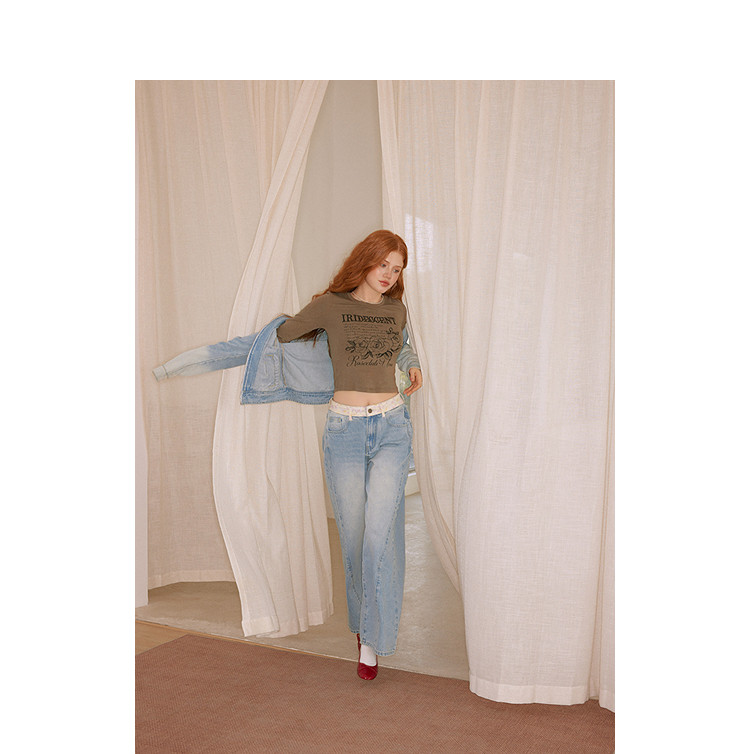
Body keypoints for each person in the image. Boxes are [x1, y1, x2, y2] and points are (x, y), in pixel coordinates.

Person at [275, 229, 422, 680]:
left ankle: (372, 639)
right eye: (384, 264)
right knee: (355, 537)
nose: (389, 275)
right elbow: (285, 333)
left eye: (397, 269)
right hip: (344, 431)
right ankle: (363, 627)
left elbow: (402, 345)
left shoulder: (396, 310)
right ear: (366, 260)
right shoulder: (331, 305)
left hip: (392, 426)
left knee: (379, 535)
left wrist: (412, 363)